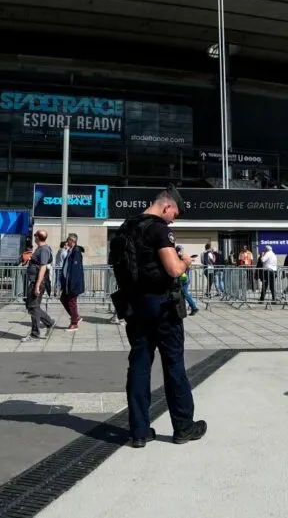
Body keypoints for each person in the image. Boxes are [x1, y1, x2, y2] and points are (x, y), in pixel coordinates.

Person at [108, 189, 205, 447]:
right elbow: (173, 268)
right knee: (173, 364)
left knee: (139, 364)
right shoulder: (159, 229)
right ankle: (183, 427)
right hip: (162, 306)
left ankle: (139, 432)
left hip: (134, 306)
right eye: (175, 213)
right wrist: (185, 261)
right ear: (166, 207)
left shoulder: (127, 226)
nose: (174, 220)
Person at [23, 230, 57, 340]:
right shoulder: (40, 249)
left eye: (35, 235)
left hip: (38, 282)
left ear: (38, 237)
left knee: (33, 307)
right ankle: (49, 323)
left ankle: (35, 333)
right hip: (34, 281)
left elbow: (43, 267)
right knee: (32, 306)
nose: (34, 237)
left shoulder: (44, 250)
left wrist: (37, 285)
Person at [57, 234, 85, 330]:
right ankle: (76, 316)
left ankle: (74, 323)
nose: (66, 242)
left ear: (72, 241)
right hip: (67, 282)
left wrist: (72, 284)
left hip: (72, 283)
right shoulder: (70, 250)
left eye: (68, 240)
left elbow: (75, 270)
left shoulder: (76, 251)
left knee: (72, 302)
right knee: (63, 298)